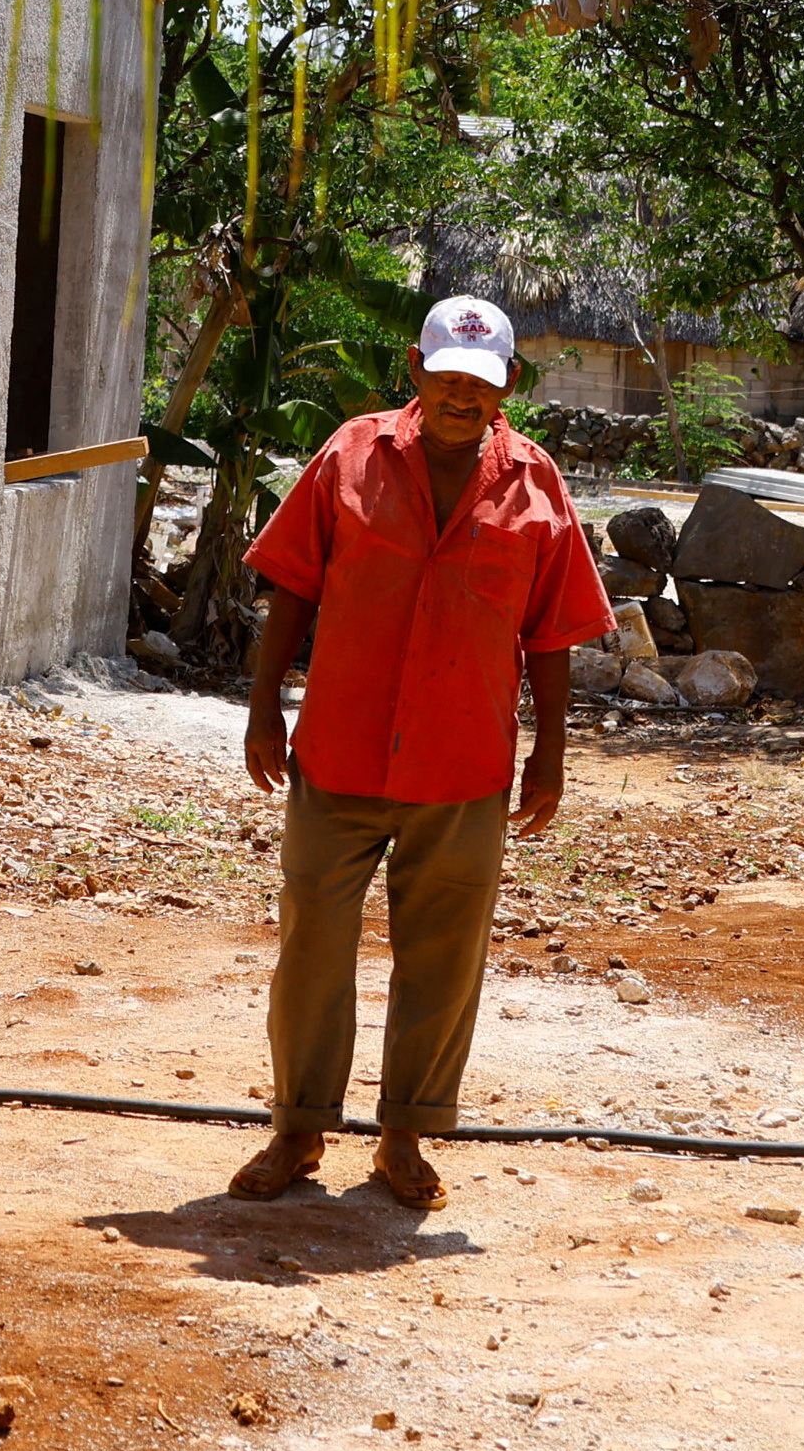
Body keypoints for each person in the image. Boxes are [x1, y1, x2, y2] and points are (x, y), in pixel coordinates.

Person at [229, 293, 616, 1209]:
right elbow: (291, 586)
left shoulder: (536, 483)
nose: (458, 396)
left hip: (463, 761)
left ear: (506, 385)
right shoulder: (352, 453)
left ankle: (404, 1134)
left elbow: (551, 633)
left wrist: (551, 753)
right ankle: (299, 1128)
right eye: (443, 378)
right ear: (415, 369)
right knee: (313, 945)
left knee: (443, 957)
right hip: (340, 754)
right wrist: (260, 708)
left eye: (477, 384)